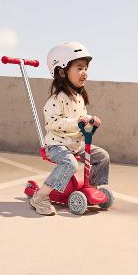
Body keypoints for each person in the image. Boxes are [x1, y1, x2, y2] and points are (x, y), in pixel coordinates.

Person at [29, 42, 110, 216]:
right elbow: (53, 123)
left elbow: (82, 118)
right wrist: (76, 121)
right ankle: (40, 196)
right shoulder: (57, 99)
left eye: (86, 68)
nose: (84, 72)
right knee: (69, 163)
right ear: (62, 71)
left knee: (102, 156)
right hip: (56, 145)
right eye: (79, 68)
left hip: (75, 144)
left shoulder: (79, 97)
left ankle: (92, 188)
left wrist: (90, 121)